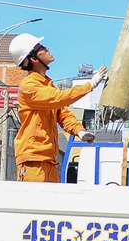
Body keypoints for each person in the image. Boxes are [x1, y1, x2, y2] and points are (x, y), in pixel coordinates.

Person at [9, 33, 103, 184]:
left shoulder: (46, 85)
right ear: (33, 58)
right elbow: (58, 98)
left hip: (47, 160)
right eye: (41, 48)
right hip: (33, 161)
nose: (47, 48)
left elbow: (63, 113)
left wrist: (80, 131)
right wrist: (90, 85)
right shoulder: (29, 87)